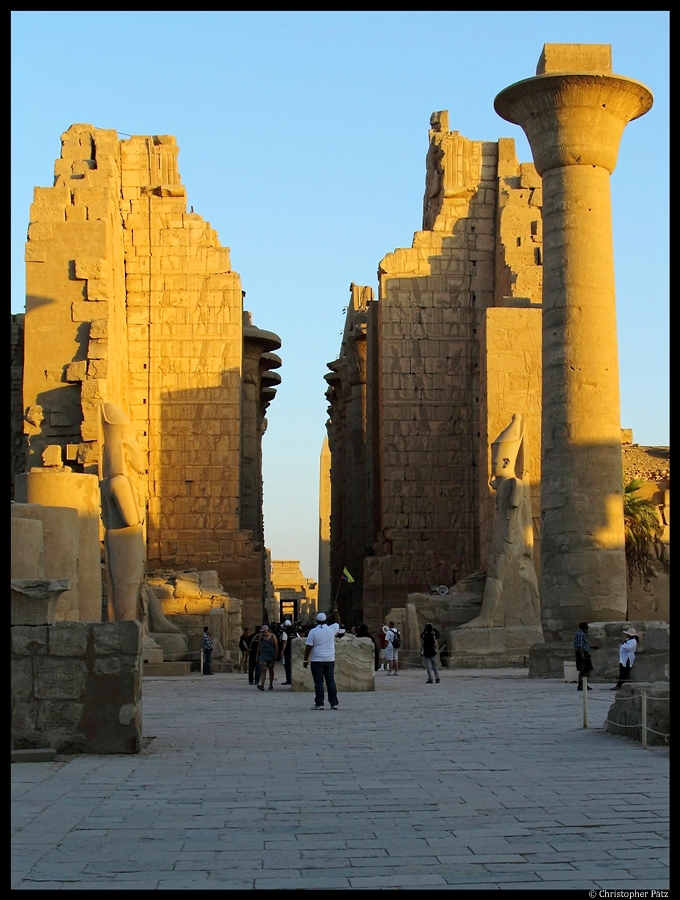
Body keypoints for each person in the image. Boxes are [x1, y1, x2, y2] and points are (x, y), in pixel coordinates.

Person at [303, 606, 341, 709]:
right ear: (326, 620)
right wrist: (336, 611)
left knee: (319, 682)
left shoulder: (313, 632)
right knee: (330, 681)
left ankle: (319, 703)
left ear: (317, 620)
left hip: (317, 660)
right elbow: (338, 622)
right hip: (329, 659)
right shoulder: (331, 629)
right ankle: (334, 703)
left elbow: (309, 647)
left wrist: (305, 659)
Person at [573, 622, 598, 691]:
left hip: (583, 652)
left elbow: (584, 645)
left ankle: (583, 683)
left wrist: (592, 647)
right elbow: (580, 646)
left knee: (585, 669)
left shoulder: (581, 634)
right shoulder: (581, 634)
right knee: (585, 669)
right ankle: (582, 683)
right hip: (582, 653)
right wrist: (582, 655)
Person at [256, 625, 279, 690]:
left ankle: (271, 684)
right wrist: (257, 655)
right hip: (263, 655)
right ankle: (262, 684)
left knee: (271, 670)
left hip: (271, 655)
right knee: (263, 669)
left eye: (264, 632)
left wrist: (276, 654)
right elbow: (259, 646)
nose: (263, 633)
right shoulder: (261, 637)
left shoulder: (273, 636)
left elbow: (276, 646)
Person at [279, 619, 293, 685]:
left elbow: (284, 642)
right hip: (293, 651)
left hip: (287, 651)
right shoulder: (295, 632)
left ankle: (289, 680)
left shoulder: (285, 632)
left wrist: (282, 652)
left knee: (287, 666)